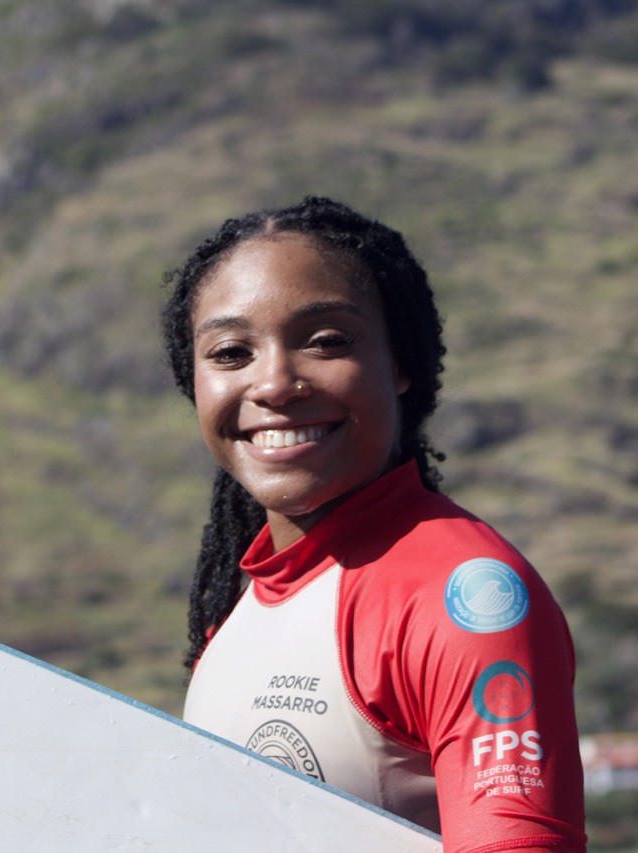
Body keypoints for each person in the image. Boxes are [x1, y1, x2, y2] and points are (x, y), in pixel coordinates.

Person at [160, 196, 586, 852]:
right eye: (231, 351)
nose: (274, 382)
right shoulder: (239, 603)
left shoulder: (466, 599)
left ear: (400, 363)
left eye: (326, 340)